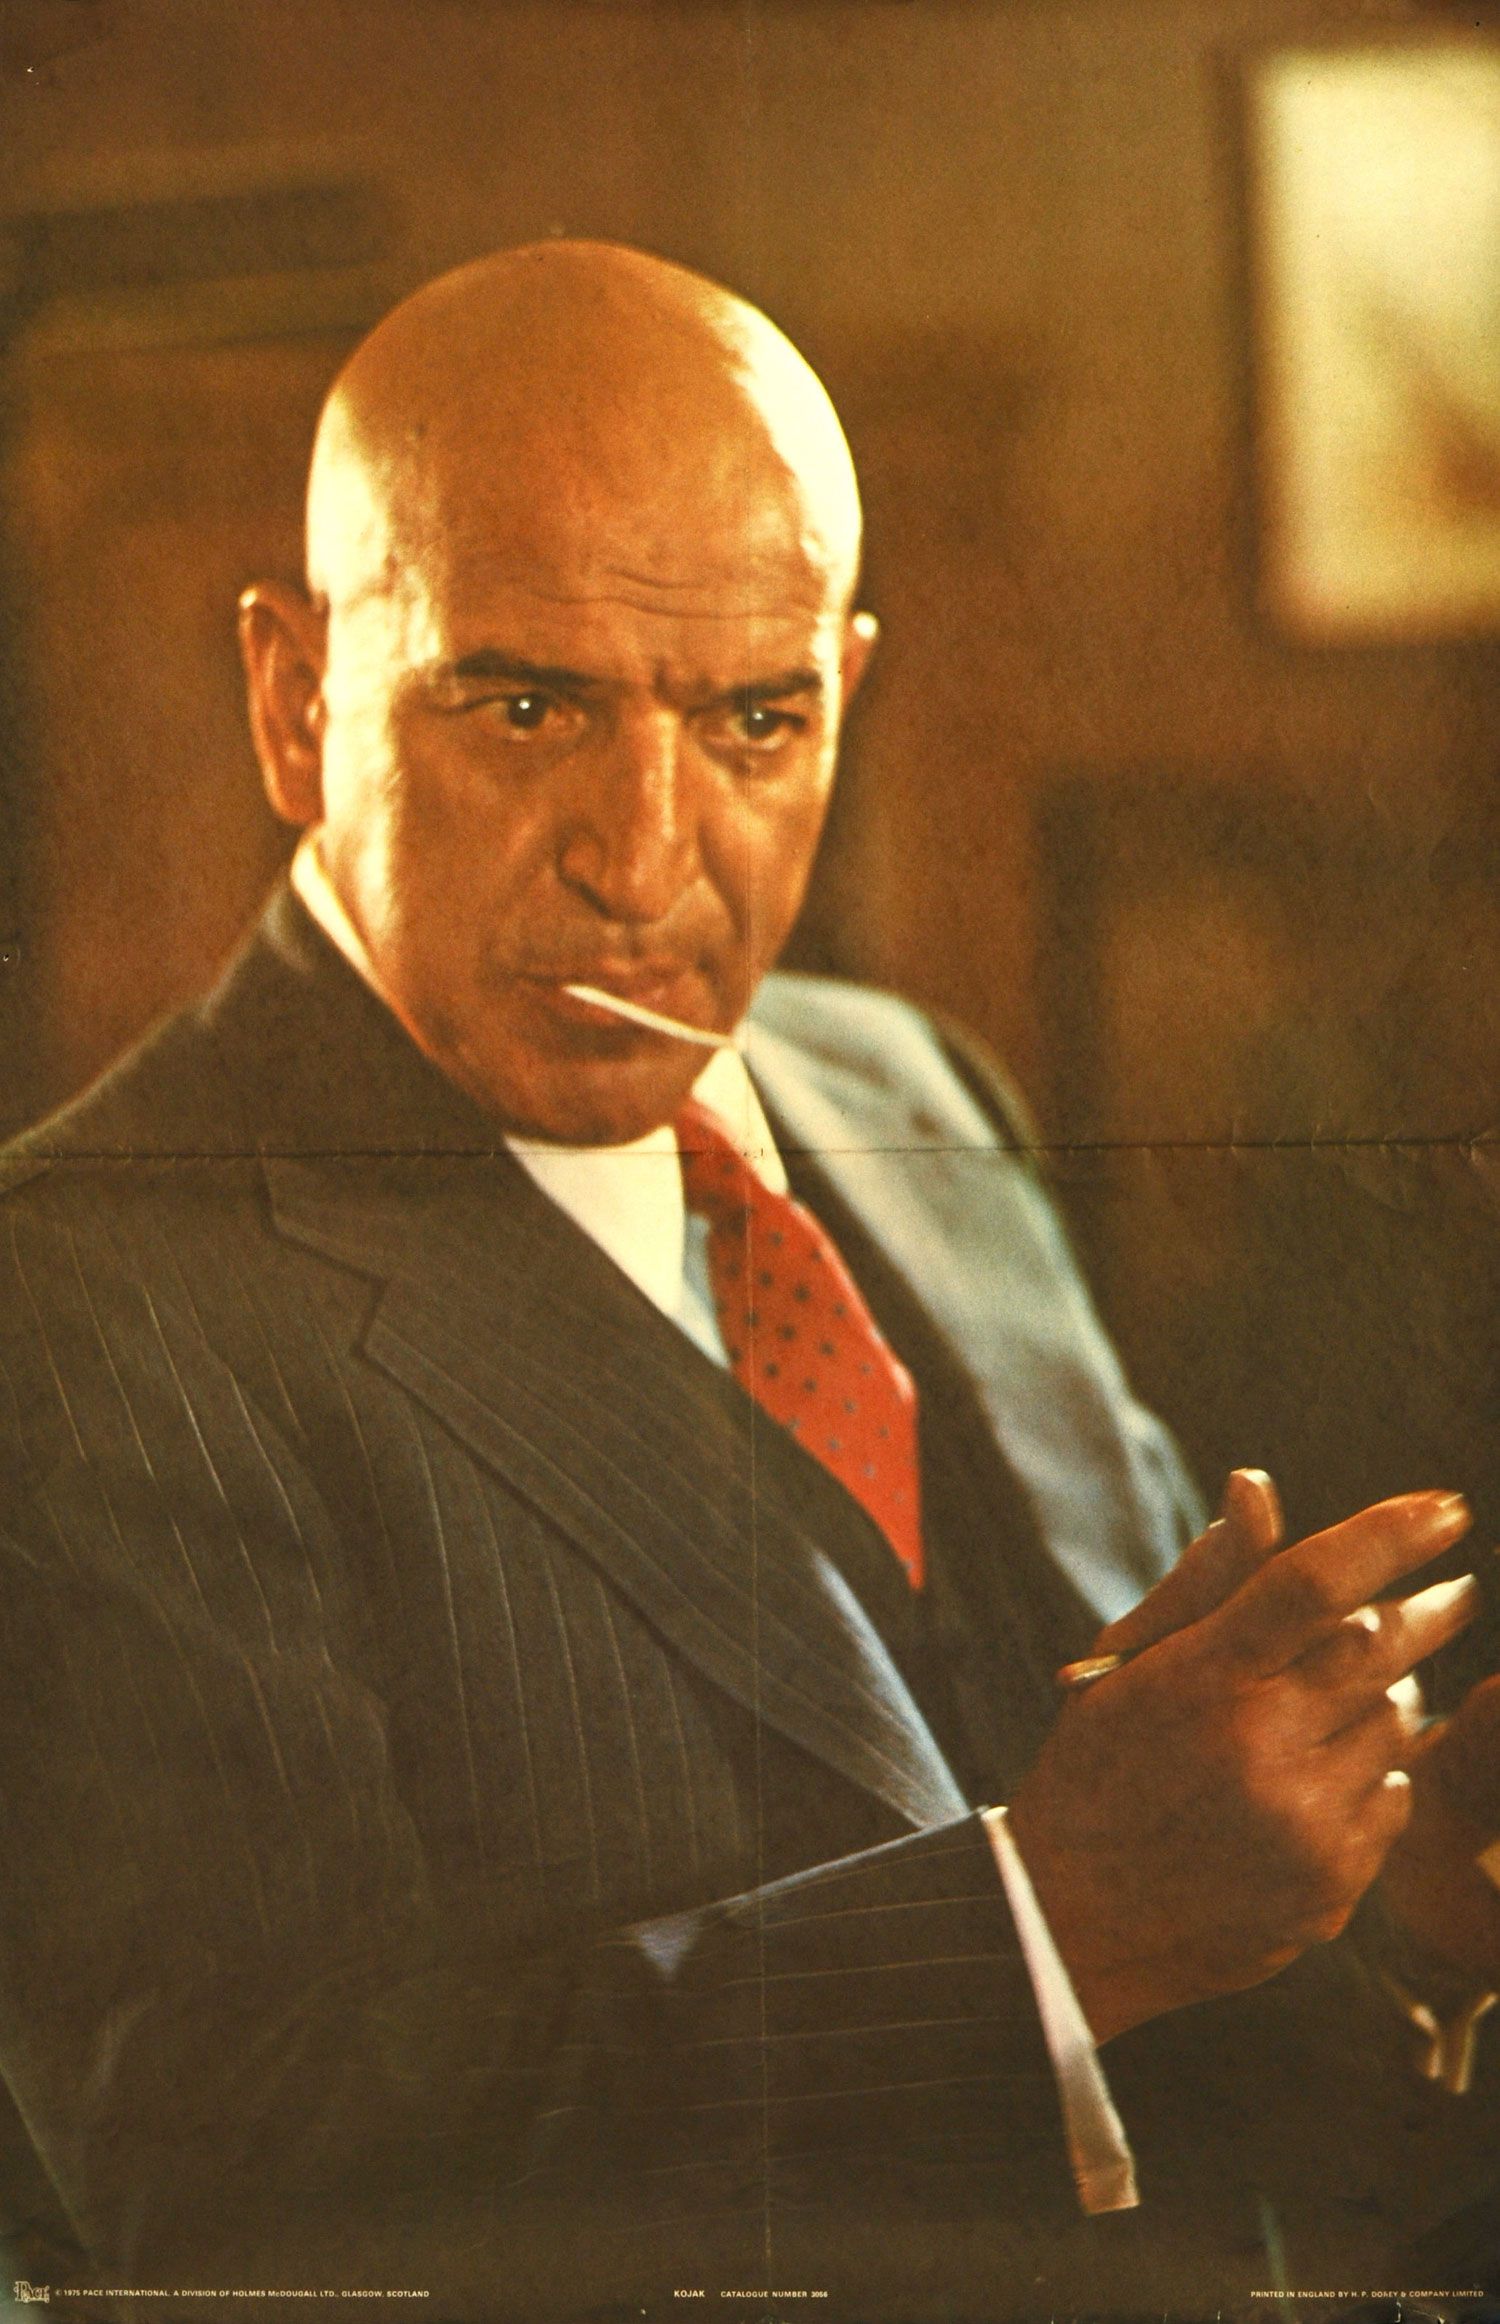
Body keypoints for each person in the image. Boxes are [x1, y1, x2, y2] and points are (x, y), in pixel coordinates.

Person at [0, 241, 1497, 2321]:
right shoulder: (75, 1305)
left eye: (753, 721)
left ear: (845, 692)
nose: (646, 859)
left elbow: (1161, 2014)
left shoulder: (909, 1092)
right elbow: (232, 2186)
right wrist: (1046, 1921)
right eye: (528, 707)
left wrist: (1391, 1893)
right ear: (294, 698)